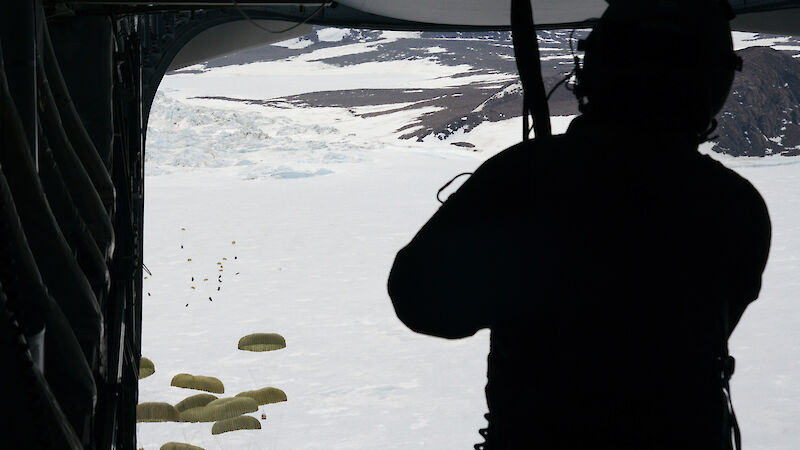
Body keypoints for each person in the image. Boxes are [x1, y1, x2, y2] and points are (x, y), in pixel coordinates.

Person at [387, 1, 771, 449]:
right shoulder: (735, 204)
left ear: (593, 67)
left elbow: (423, 303)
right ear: (715, 80)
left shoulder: (520, 179)